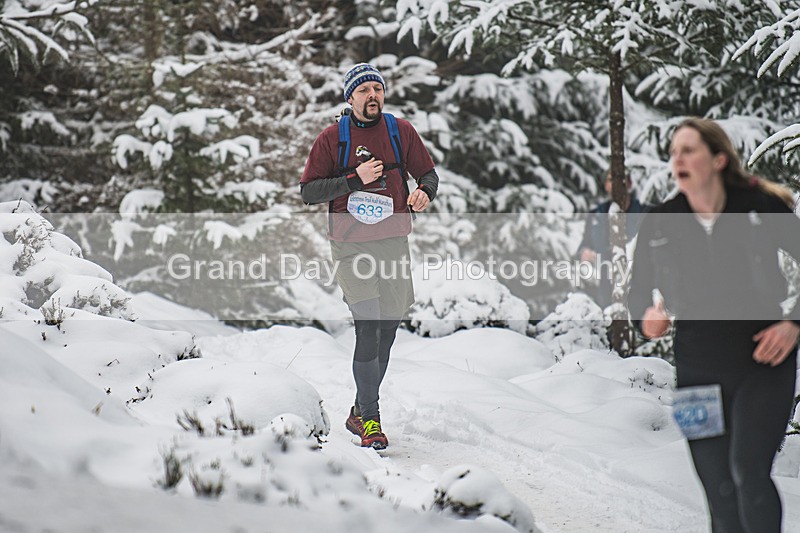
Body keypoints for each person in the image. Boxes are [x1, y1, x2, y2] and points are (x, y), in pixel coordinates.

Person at [628, 117, 800, 532]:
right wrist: (645, 320)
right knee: (717, 486)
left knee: (748, 471)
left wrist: (792, 324)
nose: (677, 159)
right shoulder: (662, 219)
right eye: (673, 152)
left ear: (718, 158)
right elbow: (637, 294)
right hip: (696, 368)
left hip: (764, 360)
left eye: (689, 150)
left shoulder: (759, 207)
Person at [300, 63, 439, 449]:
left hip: (393, 242)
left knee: (387, 333)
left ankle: (358, 411)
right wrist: (352, 179)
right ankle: (371, 420)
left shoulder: (400, 131)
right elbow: (309, 191)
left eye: (377, 88)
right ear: (350, 97)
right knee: (368, 325)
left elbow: (428, 174)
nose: (372, 95)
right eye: (363, 90)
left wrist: (425, 192)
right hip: (351, 245)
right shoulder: (332, 138)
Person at [577, 170, 650, 307]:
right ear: (606, 185)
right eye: (611, 179)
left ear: (629, 183)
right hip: (604, 286)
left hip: (639, 284)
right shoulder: (596, 215)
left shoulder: (645, 213)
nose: (616, 183)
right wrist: (584, 253)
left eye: (620, 178)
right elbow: (584, 246)